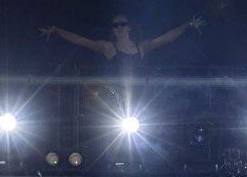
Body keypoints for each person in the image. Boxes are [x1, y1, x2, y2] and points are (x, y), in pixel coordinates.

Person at [39, 14, 206, 114]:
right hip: (116, 96)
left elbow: (166, 37)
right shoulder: (109, 48)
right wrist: (57, 31)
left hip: (139, 96)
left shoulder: (141, 47)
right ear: (113, 30)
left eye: (122, 24)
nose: (119, 27)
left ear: (129, 28)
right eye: (115, 25)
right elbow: (82, 41)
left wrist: (188, 25)